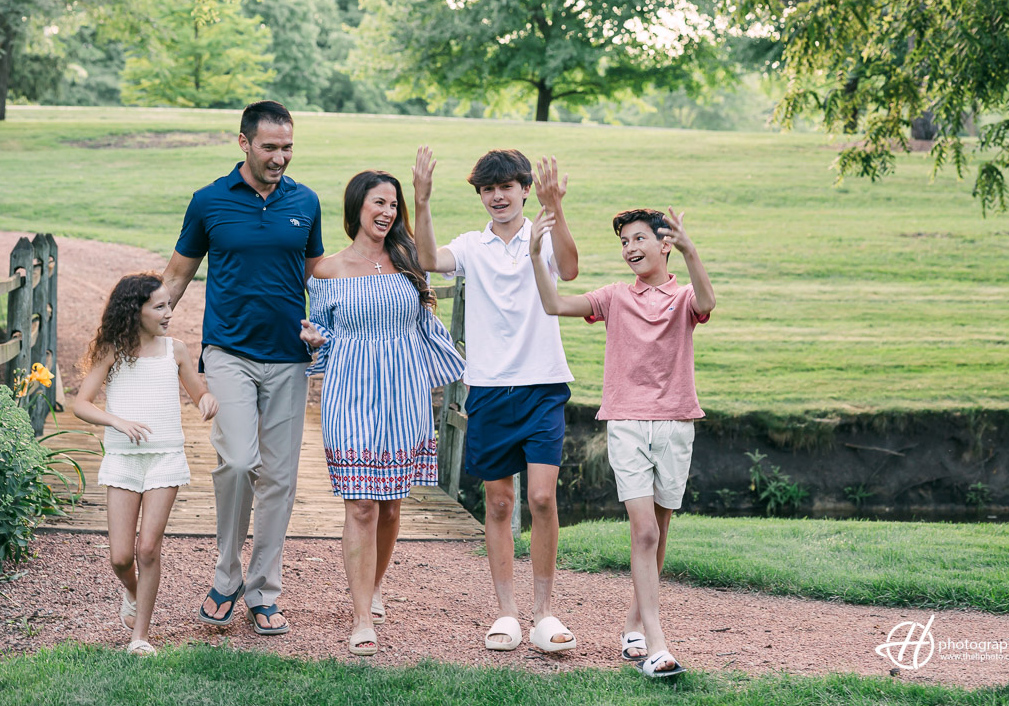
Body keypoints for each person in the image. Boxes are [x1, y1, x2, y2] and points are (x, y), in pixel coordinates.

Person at [528, 206, 715, 677]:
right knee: (645, 530)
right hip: (627, 423)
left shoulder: (684, 297)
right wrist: (535, 256)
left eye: (638, 239)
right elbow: (554, 305)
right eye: (624, 243)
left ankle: (634, 621)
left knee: (660, 528)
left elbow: (707, 303)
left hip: (676, 423)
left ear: (664, 244)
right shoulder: (613, 297)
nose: (630, 249)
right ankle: (657, 645)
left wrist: (693, 251)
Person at [162, 101, 324, 634]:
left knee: (278, 477)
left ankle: (264, 589)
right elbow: (177, 276)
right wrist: (138, 333)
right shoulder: (209, 202)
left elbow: (316, 281)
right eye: (270, 146)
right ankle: (227, 572)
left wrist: (327, 325)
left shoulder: (306, 202)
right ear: (244, 143)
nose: (280, 157)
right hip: (228, 353)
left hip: (288, 360)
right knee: (236, 462)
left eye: (287, 147)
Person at [413, 145, 580, 653]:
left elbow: (569, 271)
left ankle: (545, 612)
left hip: (543, 384)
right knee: (500, 500)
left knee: (542, 497)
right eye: (488, 189)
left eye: (506, 187)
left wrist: (557, 210)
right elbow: (426, 260)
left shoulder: (543, 235)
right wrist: (421, 201)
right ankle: (507, 612)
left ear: (525, 189)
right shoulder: (471, 245)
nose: (497, 197)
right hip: (487, 388)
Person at [299, 169, 464, 656]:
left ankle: (373, 586)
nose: (388, 212)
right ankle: (360, 617)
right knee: (362, 503)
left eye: (394, 204)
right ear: (357, 208)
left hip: (403, 390)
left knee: (392, 504)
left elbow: (425, 327)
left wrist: (425, 197)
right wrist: (312, 341)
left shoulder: (411, 262)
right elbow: (321, 342)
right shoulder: (325, 271)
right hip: (349, 390)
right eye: (379, 202)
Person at [73, 272, 219, 656]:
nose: (168, 312)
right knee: (121, 557)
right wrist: (116, 420)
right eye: (159, 306)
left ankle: (140, 637)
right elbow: (81, 404)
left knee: (148, 549)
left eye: (168, 304)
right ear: (135, 311)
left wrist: (205, 400)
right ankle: (133, 592)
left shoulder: (176, 351)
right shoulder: (112, 352)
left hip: (165, 457)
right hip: (123, 458)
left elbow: (197, 390)